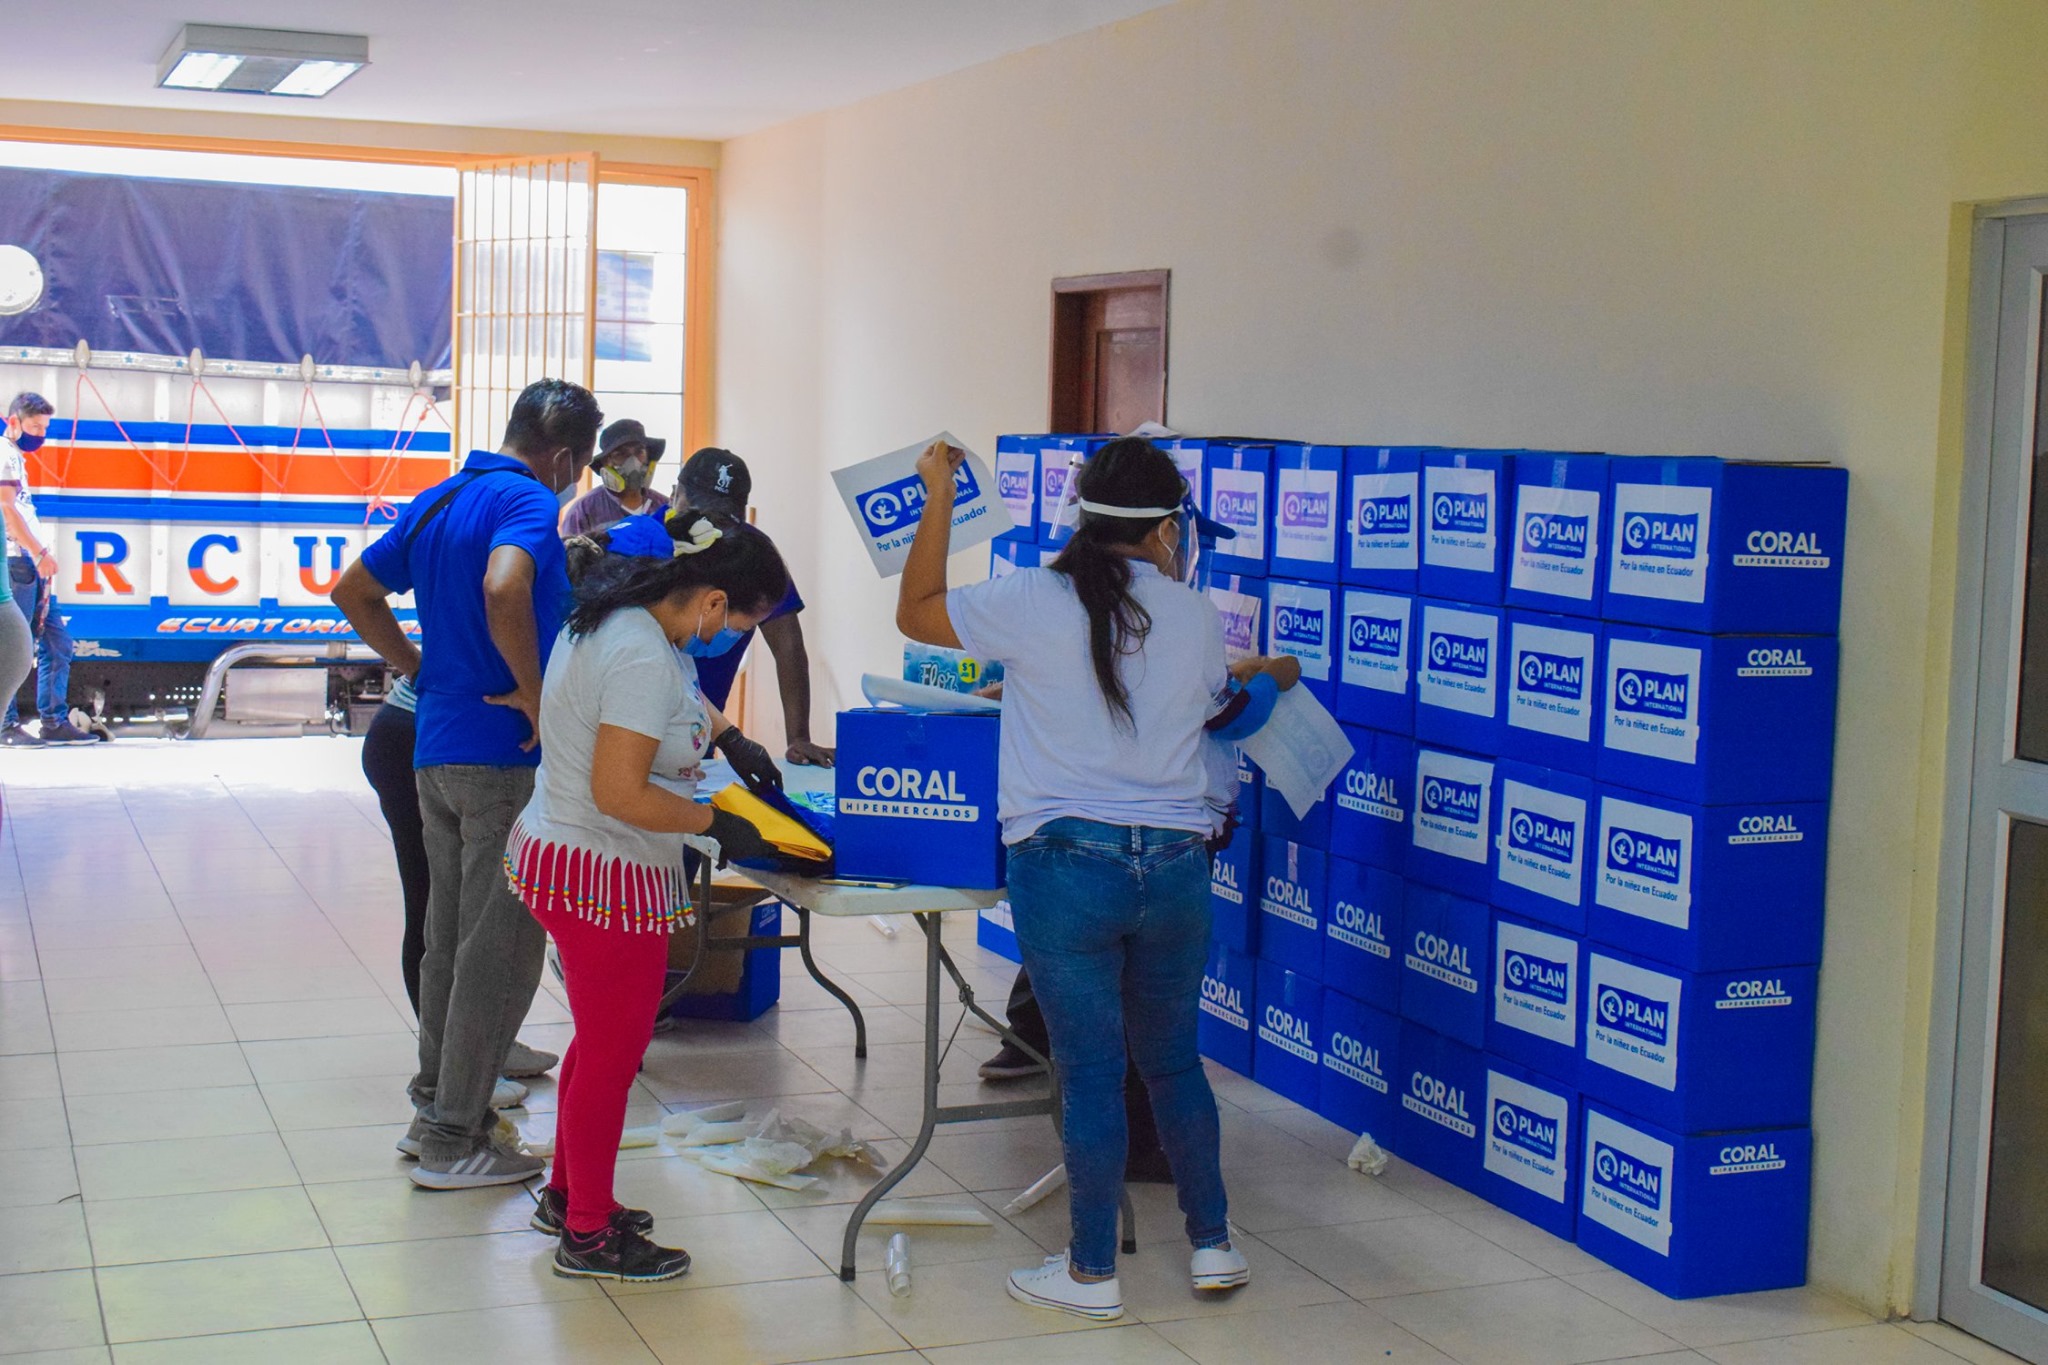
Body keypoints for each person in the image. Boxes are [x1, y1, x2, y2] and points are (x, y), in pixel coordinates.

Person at [898, 435, 1296, 1321]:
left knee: (1088, 1073)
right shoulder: (1194, 613)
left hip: (1065, 865)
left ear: (1082, 514)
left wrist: (938, 496)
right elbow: (1212, 708)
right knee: (1174, 1063)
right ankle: (1214, 1243)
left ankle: (1090, 1273)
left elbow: (916, 612)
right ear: (1165, 528)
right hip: (1176, 866)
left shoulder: (1029, 598)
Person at [332, 376, 600, 1190]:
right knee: (502, 947)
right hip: (500, 757)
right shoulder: (525, 501)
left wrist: (418, 665)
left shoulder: (440, 498)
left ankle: (433, 1109)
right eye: (583, 466)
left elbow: (352, 590)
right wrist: (532, 689)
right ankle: (456, 1135)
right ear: (563, 456)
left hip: (437, 750)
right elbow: (505, 584)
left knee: (447, 938)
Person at [505, 507, 783, 1282]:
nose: (729, 638)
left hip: (569, 853)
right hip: (602, 867)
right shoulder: (637, 651)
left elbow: (673, 698)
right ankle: (589, 1235)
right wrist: (715, 824)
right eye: (740, 624)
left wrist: (727, 736)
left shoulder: (628, 617)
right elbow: (621, 791)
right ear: (713, 602)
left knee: (599, 1042)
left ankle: (570, 1196)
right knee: (612, 1054)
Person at [355, 672, 559, 1086]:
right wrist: (419, 669)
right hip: (440, 738)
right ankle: (457, 1072)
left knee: (465, 914)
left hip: (451, 736)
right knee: (447, 915)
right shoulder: (505, 623)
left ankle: (480, 1049)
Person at [669, 447, 834, 767]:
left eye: (723, 519)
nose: (711, 529)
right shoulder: (643, 542)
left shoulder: (749, 553)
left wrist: (798, 737)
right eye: (703, 515)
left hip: (697, 738)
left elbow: (787, 645)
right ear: (677, 495)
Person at [1, 393, 88, 745]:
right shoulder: (4, 454)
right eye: (35, 427)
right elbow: (6, 509)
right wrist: (37, 553)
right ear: (14, 422)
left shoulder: (15, 456)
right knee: (14, 645)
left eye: (45, 428)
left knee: (57, 641)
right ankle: (6, 725)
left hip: (30, 564)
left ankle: (53, 721)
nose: (41, 434)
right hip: (18, 562)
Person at [558, 418, 669, 539]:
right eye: (621, 454)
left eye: (639, 452)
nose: (633, 461)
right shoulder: (583, 512)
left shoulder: (664, 507)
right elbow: (571, 550)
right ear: (606, 462)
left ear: (648, 456)